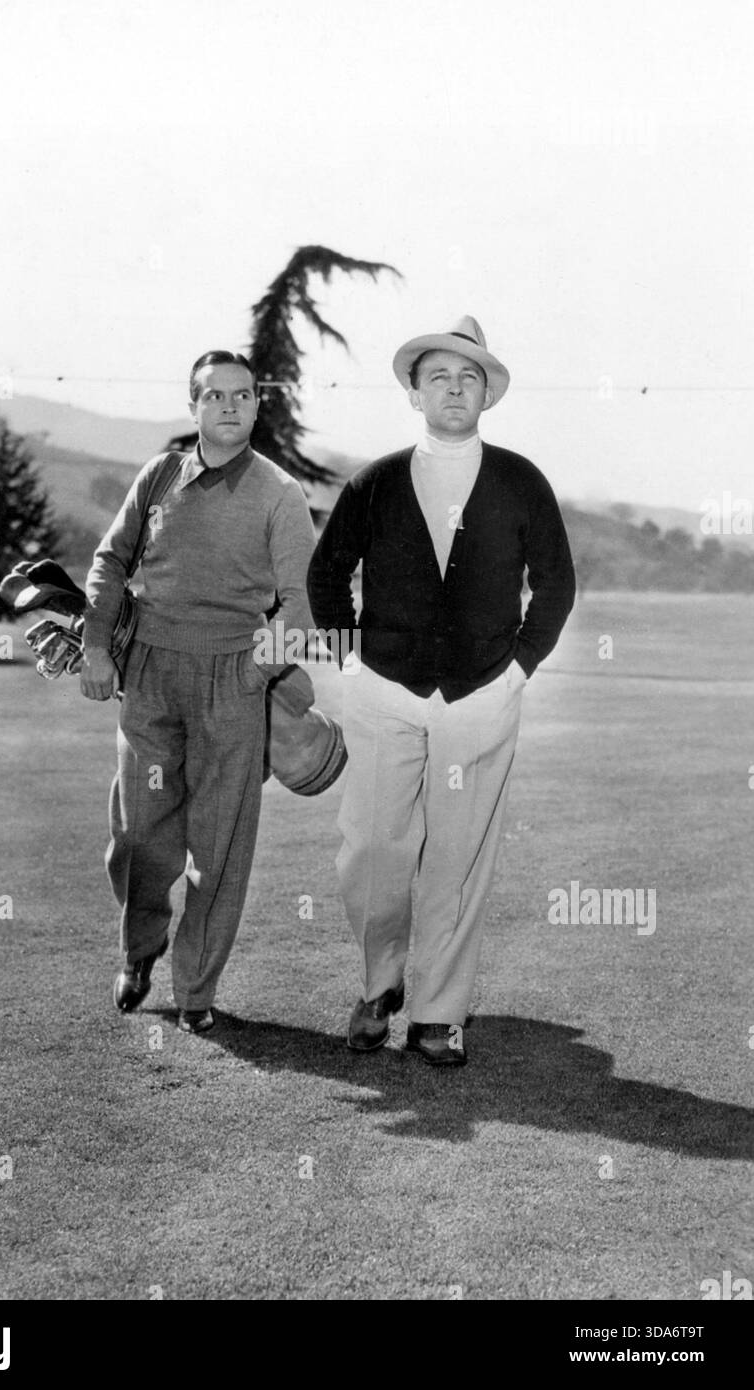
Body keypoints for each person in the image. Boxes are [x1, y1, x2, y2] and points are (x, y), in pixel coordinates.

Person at [307, 317, 575, 1065]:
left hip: (480, 696)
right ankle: (376, 985)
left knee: (459, 855)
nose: (453, 390)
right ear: (414, 392)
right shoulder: (377, 480)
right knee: (368, 851)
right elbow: (327, 576)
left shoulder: (520, 480)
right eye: (438, 378)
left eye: (468, 379)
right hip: (383, 690)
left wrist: (517, 670)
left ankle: (436, 1014)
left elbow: (555, 585)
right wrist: (352, 663)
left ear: (485, 394)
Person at [81, 351, 316, 1032]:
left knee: (220, 845)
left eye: (243, 395)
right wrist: (97, 646)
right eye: (214, 395)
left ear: (255, 406)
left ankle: (194, 991)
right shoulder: (159, 474)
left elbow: (303, 605)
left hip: (231, 681)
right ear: (192, 407)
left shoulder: (278, 493)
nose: (229, 406)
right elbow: (110, 559)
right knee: (137, 834)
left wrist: (249, 675)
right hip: (149, 674)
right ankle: (140, 946)